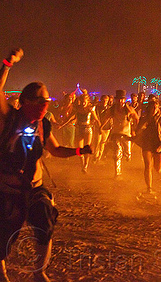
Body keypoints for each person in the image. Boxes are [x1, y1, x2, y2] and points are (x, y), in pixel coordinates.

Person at [0, 49, 92, 282]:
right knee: (4, 234)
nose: (45, 104)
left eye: (47, 100)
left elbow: (56, 150)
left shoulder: (44, 125)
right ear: (25, 102)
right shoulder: (9, 119)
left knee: (45, 220)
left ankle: (39, 272)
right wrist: (8, 64)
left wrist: (81, 151)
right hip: (8, 191)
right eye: (40, 100)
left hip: (34, 188)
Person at [134, 99, 161, 194]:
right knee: (148, 166)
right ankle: (149, 187)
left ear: (158, 109)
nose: (154, 109)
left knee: (158, 168)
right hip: (147, 144)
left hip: (158, 143)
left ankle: (152, 178)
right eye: (152, 107)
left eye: (155, 108)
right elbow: (137, 131)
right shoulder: (144, 118)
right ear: (148, 108)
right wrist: (142, 127)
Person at [100, 90, 139, 179]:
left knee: (128, 154)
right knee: (117, 154)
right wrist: (101, 127)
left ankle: (127, 155)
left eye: (122, 99)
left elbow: (136, 118)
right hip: (116, 134)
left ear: (124, 100)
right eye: (118, 99)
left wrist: (135, 129)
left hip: (126, 135)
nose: (120, 101)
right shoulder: (113, 109)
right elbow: (106, 118)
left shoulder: (129, 109)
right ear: (116, 100)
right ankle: (117, 173)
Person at [59, 92, 100, 173]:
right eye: (82, 101)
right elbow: (70, 118)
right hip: (79, 129)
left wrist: (100, 128)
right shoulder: (77, 108)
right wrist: (62, 125)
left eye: (85, 101)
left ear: (87, 101)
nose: (83, 103)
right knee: (79, 149)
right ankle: (82, 165)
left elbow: (96, 119)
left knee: (87, 147)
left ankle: (85, 165)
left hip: (88, 129)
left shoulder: (91, 109)